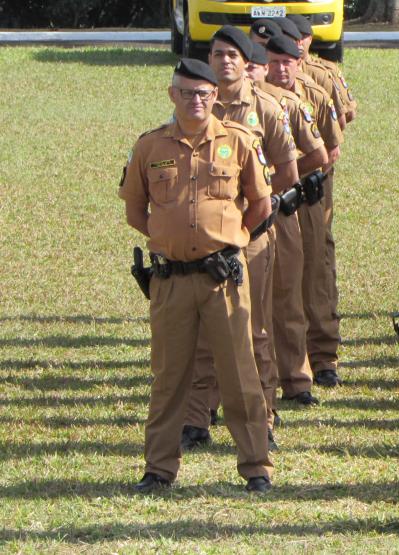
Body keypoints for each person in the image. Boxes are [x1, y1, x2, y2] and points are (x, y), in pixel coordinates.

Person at [119, 58, 274, 493]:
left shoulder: (239, 141)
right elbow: (135, 210)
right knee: (169, 377)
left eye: (204, 93)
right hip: (170, 281)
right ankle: (159, 468)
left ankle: (256, 467)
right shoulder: (150, 146)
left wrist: (232, 238)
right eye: (187, 93)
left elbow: (261, 204)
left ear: (215, 96)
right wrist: (169, 238)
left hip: (223, 278)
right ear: (173, 95)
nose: (196, 100)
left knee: (239, 375)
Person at [181, 26, 311, 452]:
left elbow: (288, 173)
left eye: (233, 56)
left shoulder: (267, 108)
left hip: (251, 234)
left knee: (253, 328)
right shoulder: (197, 104)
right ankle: (198, 416)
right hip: (206, 236)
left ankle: (263, 416)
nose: (224, 62)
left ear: (246, 61)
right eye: (218, 54)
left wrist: (255, 211)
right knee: (203, 328)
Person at [265, 34, 345, 402]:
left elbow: (328, 150)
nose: (280, 69)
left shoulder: (311, 95)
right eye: (273, 61)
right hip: (264, 203)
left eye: (287, 61)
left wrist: (286, 175)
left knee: (313, 274)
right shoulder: (253, 101)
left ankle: (322, 357)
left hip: (303, 197)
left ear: (300, 62)